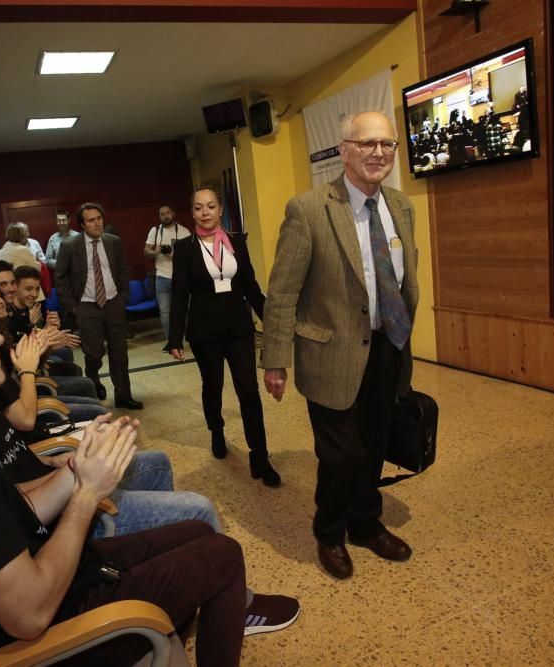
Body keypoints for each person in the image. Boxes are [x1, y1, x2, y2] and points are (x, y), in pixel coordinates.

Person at [0, 269, 261, 666]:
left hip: (62, 582)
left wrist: (77, 469)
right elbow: (30, 614)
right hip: (53, 639)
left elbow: (15, 514)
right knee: (222, 554)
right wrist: (86, 496)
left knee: (196, 530)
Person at [260, 111, 420, 580]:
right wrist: (276, 360)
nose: (378, 153)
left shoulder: (402, 207)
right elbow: (284, 290)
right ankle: (329, 532)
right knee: (339, 454)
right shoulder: (309, 209)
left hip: (388, 347)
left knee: (373, 446)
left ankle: (366, 524)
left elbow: (406, 277)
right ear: (344, 149)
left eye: (387, 145)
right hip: (329, 353)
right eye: (366, 143)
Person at [166, 188, 279, 486]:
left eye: (211, 206)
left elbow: (251, 286)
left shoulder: (237, 242)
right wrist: (174, 338)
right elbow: (179, 296)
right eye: (199, 207)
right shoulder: (185, 248)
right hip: (205, 332)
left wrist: (273, 321)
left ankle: (260, 456)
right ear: (192, 213)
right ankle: (216, 430)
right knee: (213, 386)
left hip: (239, 329)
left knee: (248, 391)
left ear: (219, 210)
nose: (205, 212)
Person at [56, 203, 142, 410]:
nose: (97, 223)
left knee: (119, 353)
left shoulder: (114, 242)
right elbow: (60, 278)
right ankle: (93, 380)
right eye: (91, 220)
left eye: (99, 218)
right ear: (82, 224)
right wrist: (73, 307)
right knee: (93, 353)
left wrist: (123, 298)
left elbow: (122, 270)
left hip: (113, 304)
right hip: (86, 307)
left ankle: (123, 395)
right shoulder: (69, 246)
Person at [144, 203, 190, 338]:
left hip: (181, 277)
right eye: (162, 214)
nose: (165, 216)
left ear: (173, 213)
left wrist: (175, 256)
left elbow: (191, 256)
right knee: (165, 312)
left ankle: (188, 336)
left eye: (168, 213)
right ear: (159, 216)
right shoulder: (155, 230)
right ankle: (172, 341)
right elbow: (146, 251)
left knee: (185, 309)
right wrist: (155, 252)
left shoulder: (184, 231)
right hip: (162, 277)